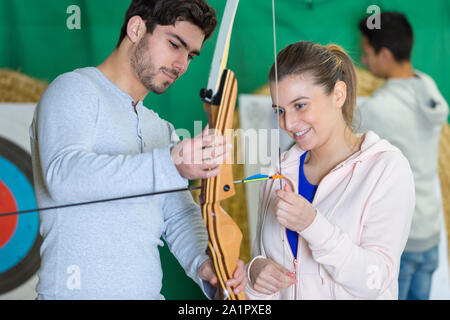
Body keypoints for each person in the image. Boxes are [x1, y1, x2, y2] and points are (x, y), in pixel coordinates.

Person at [29, 0, 246, 300]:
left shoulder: (160, 129)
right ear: (136, 28)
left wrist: (205, 264)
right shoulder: (73, 90)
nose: (182, 65)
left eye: (191, 55)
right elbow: (63, 178)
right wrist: (171, 164)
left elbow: (178, 216)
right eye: (174, 44)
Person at [244, 41, 415, 299]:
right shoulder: (278, 173)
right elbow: (262, 258)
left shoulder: (387, 169)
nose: (288, 123)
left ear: (338, 95)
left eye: (300, 105)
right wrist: (255, 271)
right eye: (279, 110)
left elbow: (375, 280)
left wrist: (313, 225)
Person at [358, 12, 449, 300]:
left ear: (385, 54)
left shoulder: (377, 109)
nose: (364, 61)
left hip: (402, 237)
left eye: (367, 53)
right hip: (431, 233)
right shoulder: (429, 87)